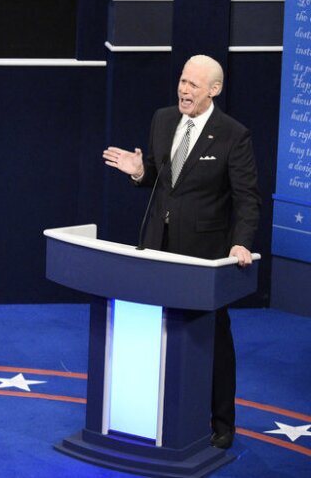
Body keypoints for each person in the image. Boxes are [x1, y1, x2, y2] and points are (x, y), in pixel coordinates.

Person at [101, 54, 260, 450]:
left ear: (214, 90)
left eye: (193, 84)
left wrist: (242, 241)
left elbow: (247, 199)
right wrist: (140, 171)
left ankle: (222, 421)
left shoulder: (232, 135)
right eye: (182, 81)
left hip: (205, 254)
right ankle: (154, 412)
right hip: (157, 244)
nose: (183, 90)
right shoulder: (163, 119)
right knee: (156, 329)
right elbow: (160, 176)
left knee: (213, 338)